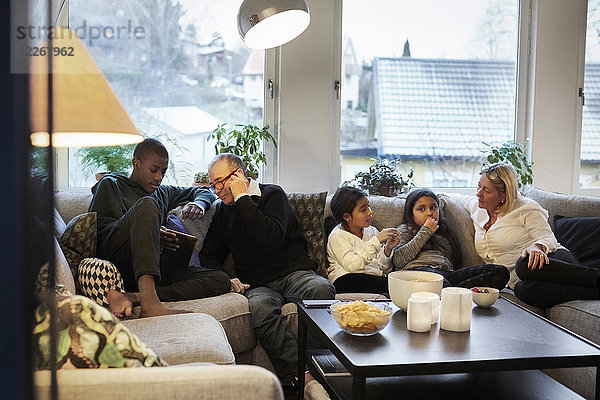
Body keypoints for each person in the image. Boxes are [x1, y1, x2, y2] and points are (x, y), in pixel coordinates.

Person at [199, 153, 335, 390]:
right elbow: (208, 255)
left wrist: (242, 198)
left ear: (239, 175)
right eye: (213, 185)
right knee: (260, 309)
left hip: (294, 273)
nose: (217, 190)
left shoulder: (272, 194)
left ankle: (317, 368)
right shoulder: (222, 211)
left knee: (320, 288)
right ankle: (303, 377)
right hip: (257, 284)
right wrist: (227, 278)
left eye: (220, 182)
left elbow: (271, 238)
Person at [89, 138, 231, 318]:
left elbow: (201, 191)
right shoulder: (111, 184)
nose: (158, 177)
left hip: (155, 268)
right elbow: (101, 235)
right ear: (136, 163)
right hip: (121, 263)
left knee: (220, 280)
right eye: (153, 170)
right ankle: (150, 305)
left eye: (163, 172)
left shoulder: (162, 191)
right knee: (147, 205)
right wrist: (150, 234)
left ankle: (136, 296)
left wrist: (200, 204)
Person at [449, 162, 599, 308]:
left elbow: (548, 238)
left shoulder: (526, 208)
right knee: (524, 290)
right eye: (478, 186)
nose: (478, 193)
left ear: (504, 195)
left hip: (552, 260)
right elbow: (450, 197)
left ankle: (595, 277)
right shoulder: (476, 206)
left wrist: (537, 247)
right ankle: (595, 292)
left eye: (486, 190)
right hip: (518, 279)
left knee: (523, 265)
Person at [393, 188, 509, 289]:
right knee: (440, 283)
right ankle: (451, 294)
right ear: (411, 213)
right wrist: (425, 232)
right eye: (422, 209)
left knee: (500, 272)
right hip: (418, 273)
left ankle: (454, 293)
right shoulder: (405, 229)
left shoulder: (444, 231)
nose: (429, 213)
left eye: (433, 207)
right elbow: (398, 260)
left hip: (446, 274)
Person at [326, 186, 400, 295]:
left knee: (392, 280)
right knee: (355, 280)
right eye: (363, 209)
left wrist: (387, 250)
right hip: (346, 278)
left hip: (372, 278)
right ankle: (391, 288)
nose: (370, 212)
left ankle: (391, 288)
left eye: (368, 206)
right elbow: (353, 267)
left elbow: (383, 268)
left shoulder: (371, 231)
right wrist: (376, 241)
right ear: (347, 216)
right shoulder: (338, 236)